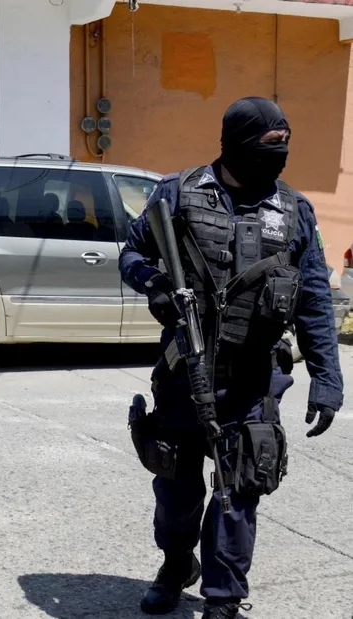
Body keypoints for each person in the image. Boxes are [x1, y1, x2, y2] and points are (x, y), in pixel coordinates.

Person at [120, 96, 344, 618]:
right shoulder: (178, 194)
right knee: (175, 493)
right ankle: (177, 565)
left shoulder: (294, 213)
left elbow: (313, 300)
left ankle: (223, 598)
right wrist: (153, 284)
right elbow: (131, 252)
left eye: (284, 148)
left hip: (252, 382)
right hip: (182, 376)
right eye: (267, 146)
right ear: (234, 143)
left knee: (239, 494)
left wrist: (327, 381)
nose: (278, 157)